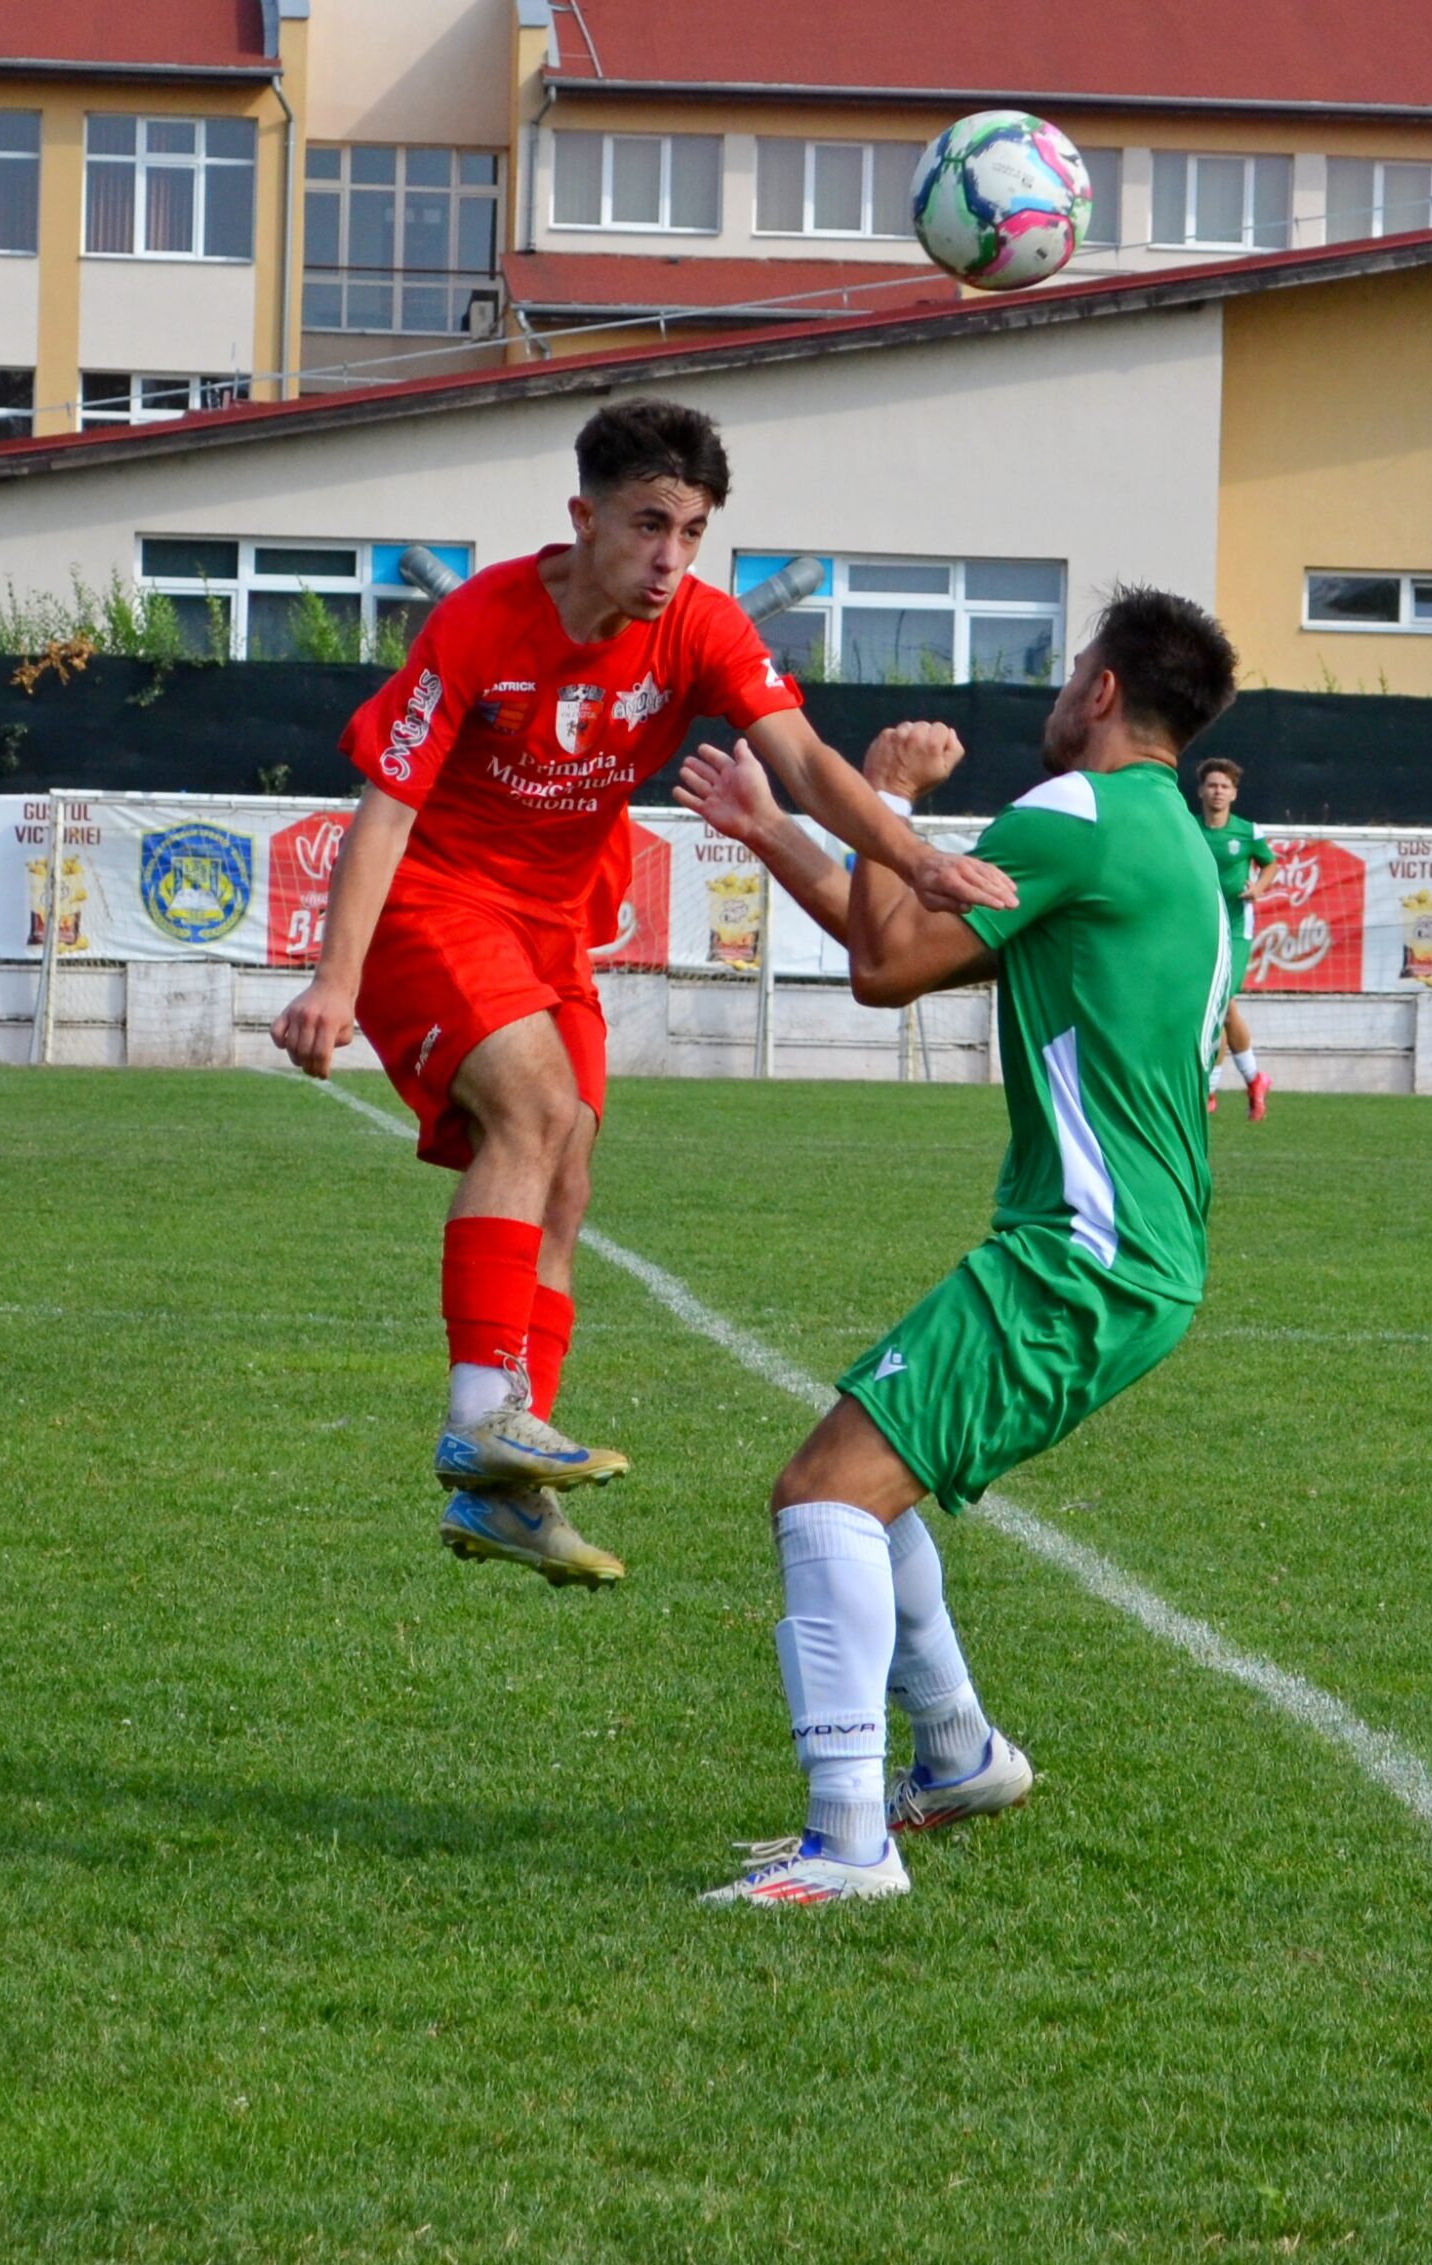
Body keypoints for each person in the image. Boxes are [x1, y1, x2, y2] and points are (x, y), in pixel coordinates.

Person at [270, 397, 1013, 1591]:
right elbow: (388, 805)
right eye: (649, 524)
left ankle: (504, 1491)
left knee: (566, 1174)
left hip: (555, 928)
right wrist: (334, 977)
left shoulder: (703, 627)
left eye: (694, 531)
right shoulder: (478, 621)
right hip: (436, 899)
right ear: (584, 516)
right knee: (531, 1108)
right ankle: (477, 1411)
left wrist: (919, 857)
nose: (670, 557)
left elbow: (806, 762)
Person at [674, 586, 1242, 1905]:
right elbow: (919, 951)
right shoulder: (1166, 843)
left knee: (826, 1492)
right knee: (870, 1467)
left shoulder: (1074, 814)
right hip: (1126, 1256)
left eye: (1070, 667)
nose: (1055, 691)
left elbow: (880, 961)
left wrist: (882, 793)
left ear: (1101, 691)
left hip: (1081, 1254)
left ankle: (850, 1843)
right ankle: (959, 1753)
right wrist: (775, 830)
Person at [1196, 754, 1273, 1120]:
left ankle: (1210, 1091)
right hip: (1200, 927)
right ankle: (1255, 1079)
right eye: (1212, 784)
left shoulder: (1247, 831)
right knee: (1218, 1008)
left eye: (1224, 786)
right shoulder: (1188, 828)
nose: (1218, 791)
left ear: (1234, 794)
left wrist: (1258, 887)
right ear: (1201, 791)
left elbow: (1270, 863)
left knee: (1222, 1003)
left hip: (1237, 929)